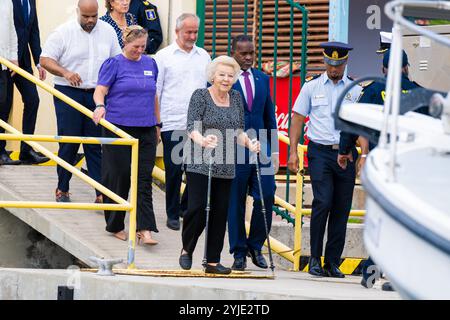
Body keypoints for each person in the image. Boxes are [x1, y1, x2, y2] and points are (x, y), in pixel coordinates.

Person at [338, 49, 421, 291]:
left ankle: (372, 272)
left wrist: (345, 151)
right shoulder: (418, 92)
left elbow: (352, 121)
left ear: (384, 69)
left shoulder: (374, 90)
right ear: (406, 68)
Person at [178, 55, 261, 274]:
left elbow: (238, 131)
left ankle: (212, 261)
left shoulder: (235, 98)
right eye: (222, 74)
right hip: (199, 160)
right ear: (213, 76)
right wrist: (202, 140)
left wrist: (249, 144)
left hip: (226, 163)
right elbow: (191, 127)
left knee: (219, 212)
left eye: (230, 75)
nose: (226, 79)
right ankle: (187, 249)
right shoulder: (200, 96)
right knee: (197, 208)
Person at [288, 42, 362, 278]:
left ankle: (332, 262)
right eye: (330, 64)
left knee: (342, 208)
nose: (333, 69)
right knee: (323, 202)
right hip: (319, 152)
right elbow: (298, 118)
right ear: (324, 62)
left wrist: (364, 154)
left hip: (347, 153)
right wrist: (292, 151)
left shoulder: (355, 88)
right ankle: (315, 259)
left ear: (344, 63)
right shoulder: (311, 86)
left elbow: (361, 124)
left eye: (338, 65)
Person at [40, 0, 122, 203]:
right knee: (69, 142)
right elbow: (45, 59)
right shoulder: (63, 32)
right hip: (69, 93)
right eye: (86, 16)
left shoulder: (108, 31)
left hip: (97, 95)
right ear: (78, 12)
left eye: (94, 16)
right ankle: (62, 188)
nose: (90, 20)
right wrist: (65, 72)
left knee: (95, 144)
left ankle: (100, 192)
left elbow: (116, 60)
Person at [93, 25, 160, 244]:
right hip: (118, 127)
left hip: (146, 128)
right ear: (126, 43)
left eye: (143, 46)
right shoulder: (114, 64)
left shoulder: (151, 63)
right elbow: (100, 90)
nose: (140, 50)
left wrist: (158, 124)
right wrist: (100, 106)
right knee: (119, 176)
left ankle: (145, 227)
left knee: (143, 179)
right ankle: (114, 224)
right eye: (136, 46)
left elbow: (154, 96)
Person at [154, 13, 211, 231]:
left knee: (197, 170)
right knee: (175, 170)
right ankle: (172, 213)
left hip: (198, 123)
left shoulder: (203, 56)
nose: (192, 36)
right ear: (177, 31)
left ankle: (185, 209)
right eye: (188, 32)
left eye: (195, 31)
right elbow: (156, 91)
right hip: (172, 121)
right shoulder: (163, 56)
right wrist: (157, 123)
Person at [227, 35, 279, 271]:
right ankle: (239, 251)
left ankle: (255, 245)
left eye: (251, 53)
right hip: (234, 147)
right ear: (233, 53)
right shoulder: (225, 78)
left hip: (260, 148)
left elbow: (269, 116)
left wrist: (273, 150)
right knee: (235, 201)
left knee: (266, 193)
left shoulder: (262, 78)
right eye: (243, 53)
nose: (248, 57)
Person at [0, 0, 49, 165]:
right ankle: (1, 151)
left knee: (33, 100)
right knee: (4, 105)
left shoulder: (31, 1)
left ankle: (26, 150)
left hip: (22, 61)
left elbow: (33, 31)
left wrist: (39, 62)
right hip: (5, 59)